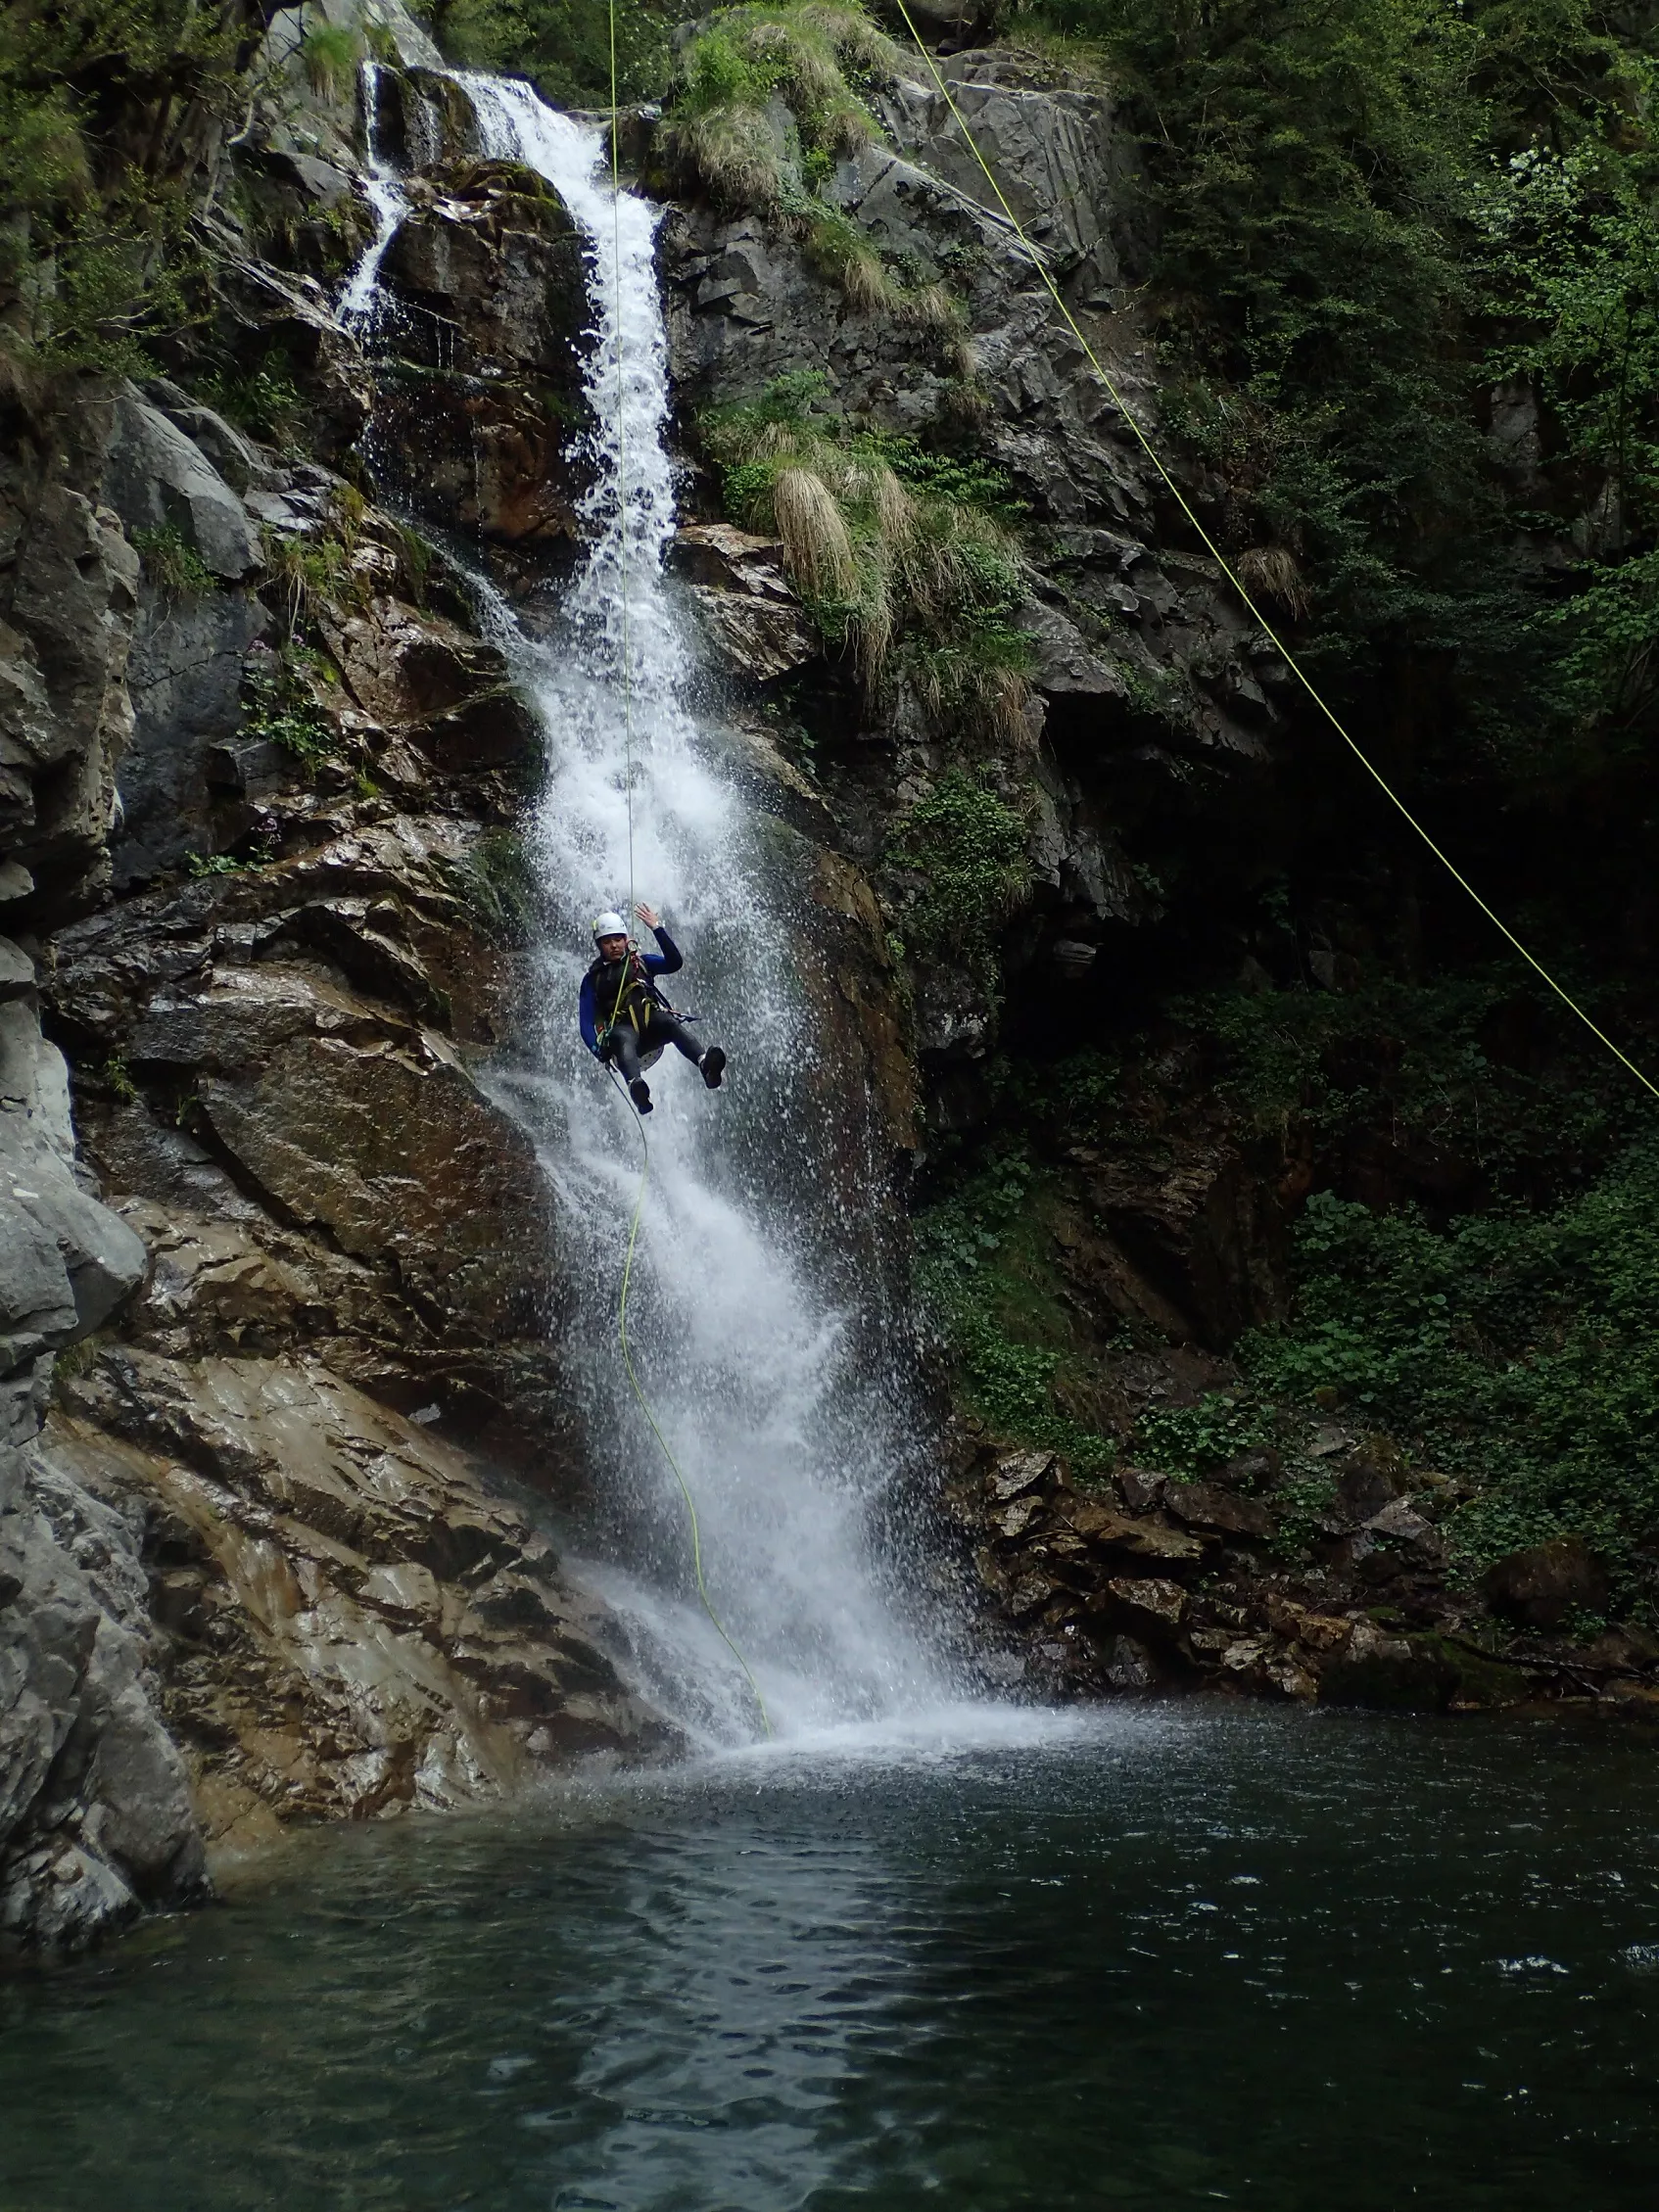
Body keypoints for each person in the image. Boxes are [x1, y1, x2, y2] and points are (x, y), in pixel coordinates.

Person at [579, 902, 727, 1114]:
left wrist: (657, 928)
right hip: (624, 1042)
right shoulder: (592, 980)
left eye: (618, 939)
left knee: (668, 1022)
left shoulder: (642, 963)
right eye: (607, 941)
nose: (614, 945)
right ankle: (637, 1089)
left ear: (626, 939)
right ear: (598, 945)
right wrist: (598, 1051)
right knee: (622, 1036)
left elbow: (674, 963)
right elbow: (585, 1023)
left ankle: (706, 1066)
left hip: (652, 1031)